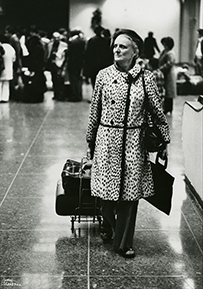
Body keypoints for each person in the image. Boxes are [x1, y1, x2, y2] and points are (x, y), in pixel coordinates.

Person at [86, 29, 170, 258]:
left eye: (123, 46)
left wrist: (164, 140)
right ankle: (108, 223)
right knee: (106, 197)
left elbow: (157, 112)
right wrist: (90, 141)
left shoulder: (146, 78)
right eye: (115, 46)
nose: (117, 49)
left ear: (135, 52)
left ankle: (124, 243)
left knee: (129, 196)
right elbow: (95, 111)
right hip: (106, 140)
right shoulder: (103, 75)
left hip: (134, 142)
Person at [46, 31, 68, 101]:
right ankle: (56, 94)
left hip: (60, 63)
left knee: (60, 80)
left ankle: (61, 95)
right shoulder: (49, 45)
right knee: (54, 79)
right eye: (55, 38)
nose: (56, 39)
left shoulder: (64, 45)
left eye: (58, 38)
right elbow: (47, 54)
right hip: (52, 64)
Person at [159, 36, 176, 115]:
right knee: (166, 92)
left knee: (169, 92)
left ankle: (169, 109)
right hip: (165, 73)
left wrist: (160, 69)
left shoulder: (170, 53)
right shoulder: (165, 51)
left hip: (169, 74)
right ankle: (166, 108)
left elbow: (169, 63)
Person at [0, 34, 16, 103]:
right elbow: (14, 59)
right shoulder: (11, 48)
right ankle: (5, 98)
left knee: (0, 83)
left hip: (1, 68)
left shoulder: (1, 47)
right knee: (6, 83)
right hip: (9, 68)